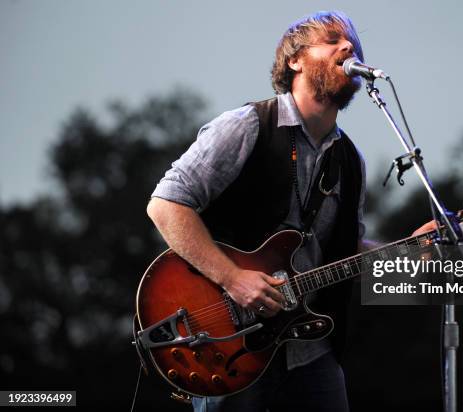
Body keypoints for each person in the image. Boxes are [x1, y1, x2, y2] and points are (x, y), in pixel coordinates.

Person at [147, 10, 434, 412]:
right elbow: (165, 205)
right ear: (294, 60)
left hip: (312, 351)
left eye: (352, 42)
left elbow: (342, 250)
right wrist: (232, 278)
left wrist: (406, 249)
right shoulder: (248, 126)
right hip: (230, 345)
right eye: (333, 40)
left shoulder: (351, 161)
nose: (349, 46)